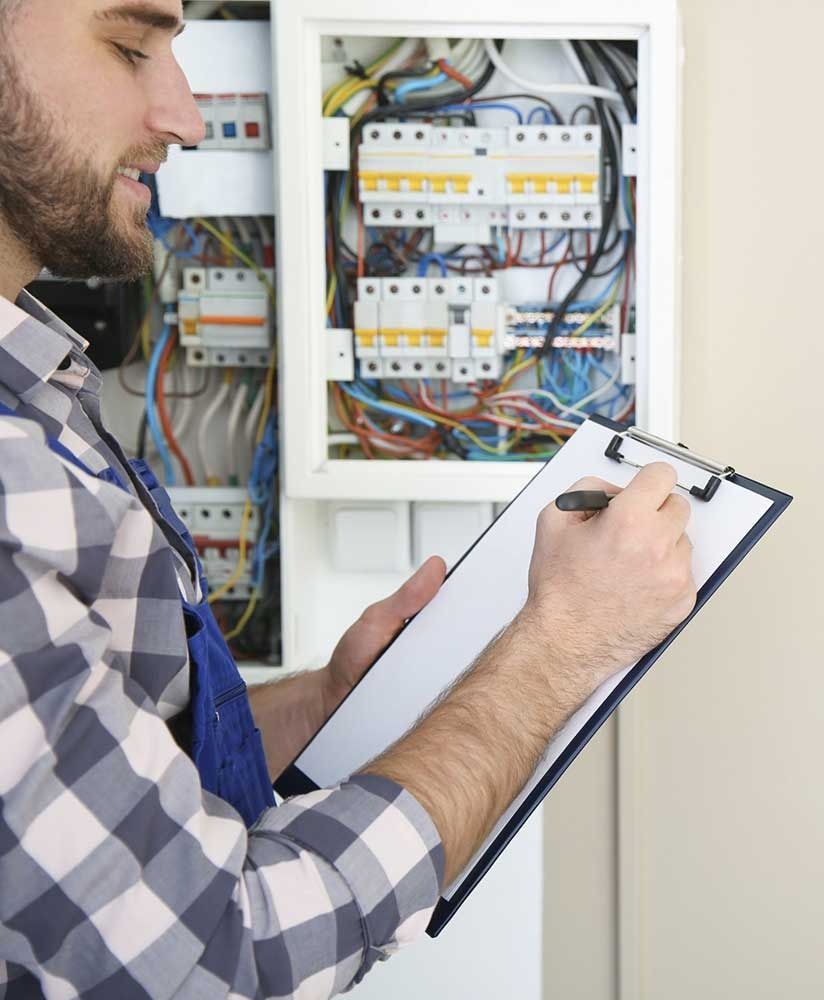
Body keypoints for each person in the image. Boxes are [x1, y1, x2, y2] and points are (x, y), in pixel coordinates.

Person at [0, 0, 696, 996]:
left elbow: (108, 766)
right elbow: (221, 959)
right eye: (129, 47)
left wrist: (327, 703)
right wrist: (558, 649)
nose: (185, 115)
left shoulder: (38, 393)